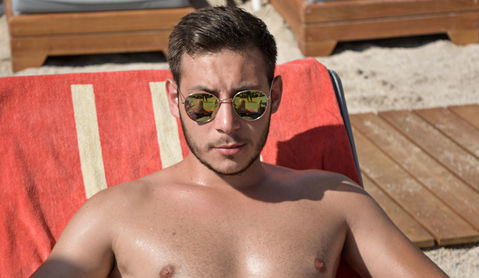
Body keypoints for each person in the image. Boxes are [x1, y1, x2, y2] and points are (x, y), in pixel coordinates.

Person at [30, 6, 448, 278]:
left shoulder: (335, 202)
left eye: (249, 101)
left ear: (276, 97)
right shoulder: (115, 213)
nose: (227, 123)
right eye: (202, 103)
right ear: (174, 100)